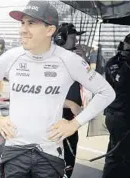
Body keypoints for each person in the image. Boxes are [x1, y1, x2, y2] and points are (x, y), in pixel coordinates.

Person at [0, 1, 115, 177]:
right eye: (22, 23)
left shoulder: (69, 60)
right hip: (15, 151)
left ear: (50, 30)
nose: (23, 29)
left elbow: (107, 92)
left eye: (31, 23)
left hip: (49, 153)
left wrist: (75, 123)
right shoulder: (11, 57)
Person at [54, 22, 84, 178]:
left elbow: (88, 83)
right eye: (73, 38)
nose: (76, 42)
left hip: (72, 119)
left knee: (69, 160)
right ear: (61, 38)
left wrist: (83, 60)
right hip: (58, 119)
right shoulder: (52, 60)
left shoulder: (74, 58)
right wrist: (69, 103)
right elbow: (44, 92)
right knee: (58, 161)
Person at [103, 33, 130, 178]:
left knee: (115, 155)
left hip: (113, 115)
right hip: (125, 119)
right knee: (124, 158)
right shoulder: (128, 65)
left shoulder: (113, 62)